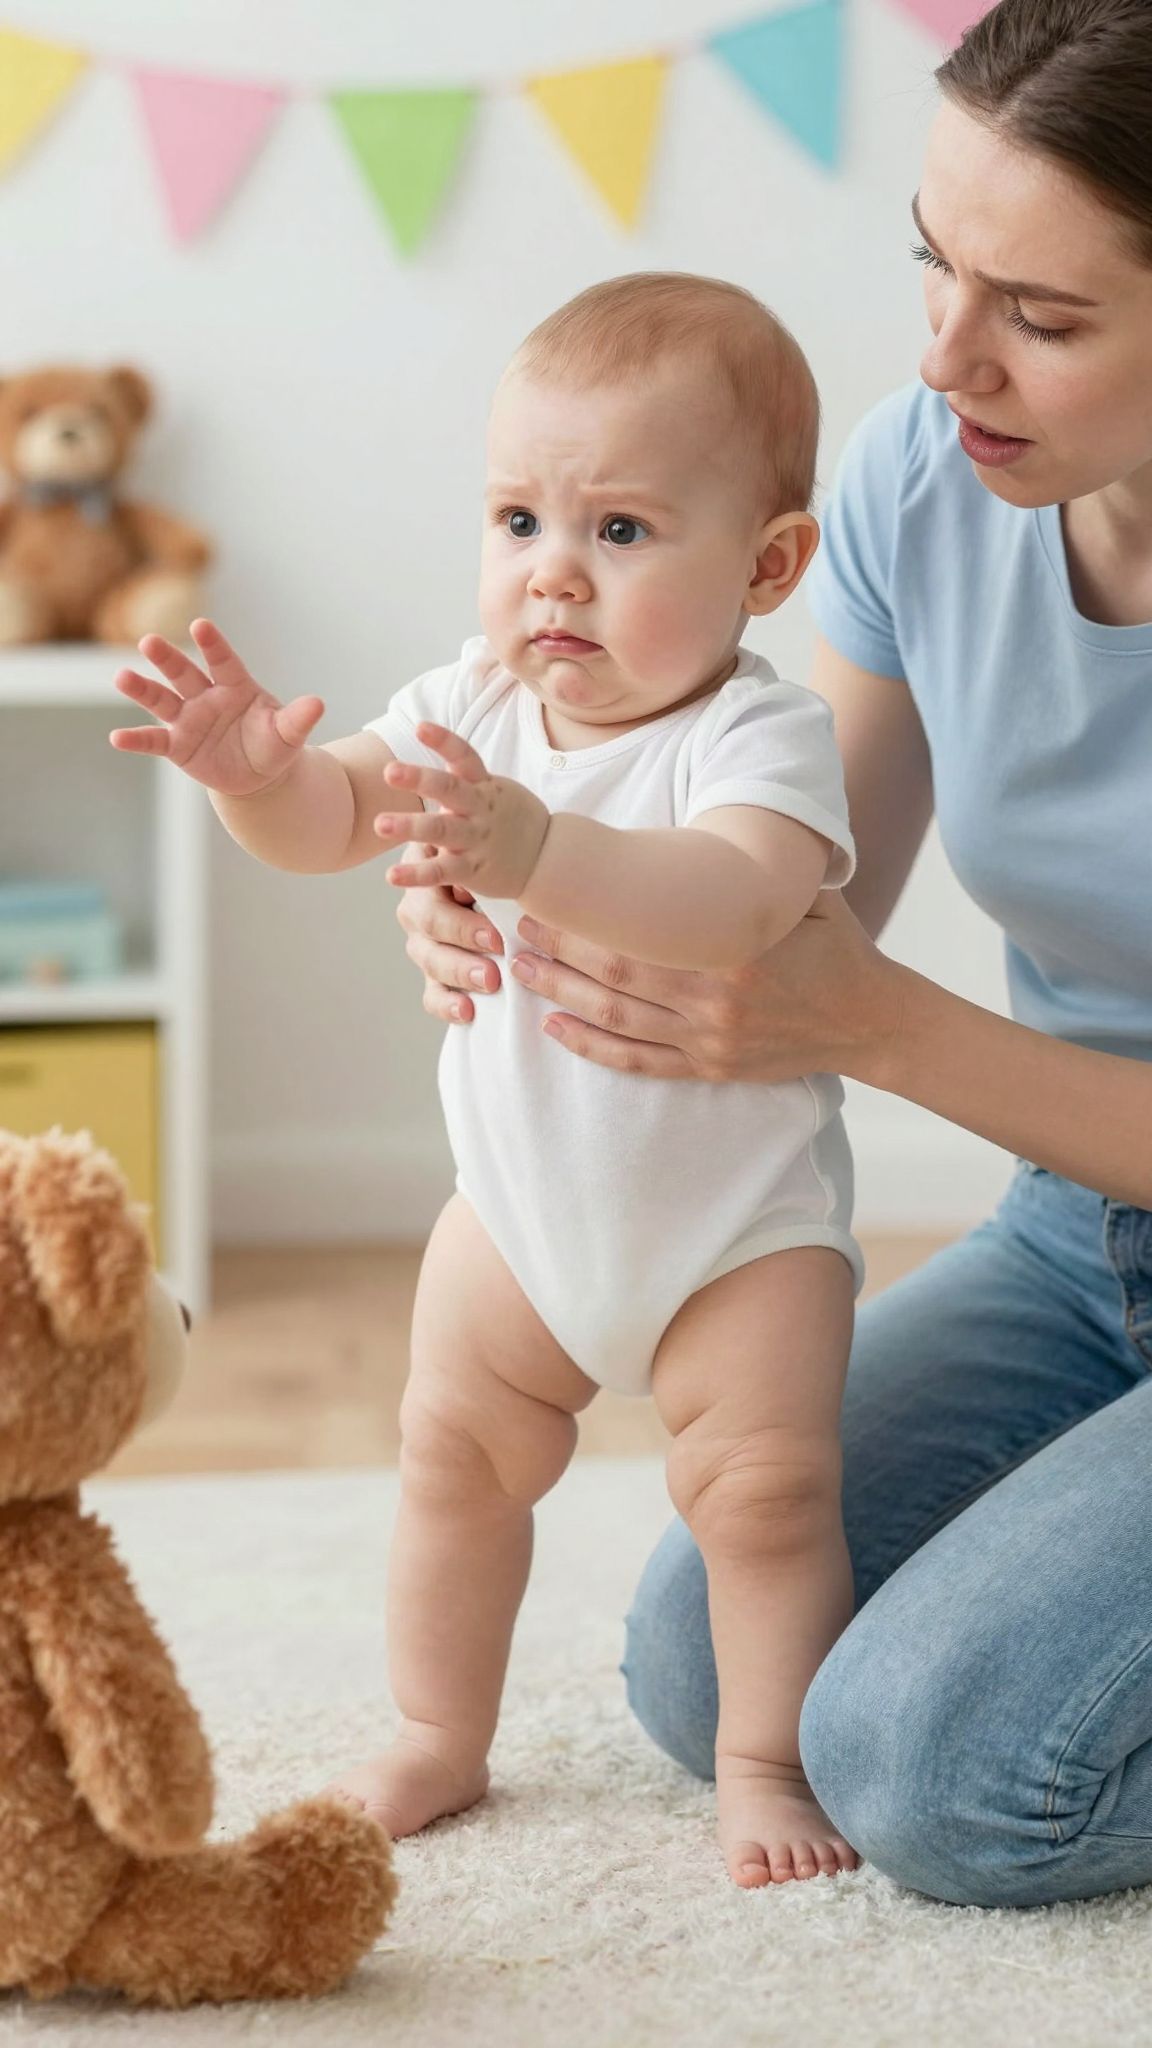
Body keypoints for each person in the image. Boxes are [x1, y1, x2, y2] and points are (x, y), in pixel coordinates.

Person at [396, 0, 1152, 1907]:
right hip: (1080, 1239)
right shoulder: (924, 483)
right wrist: (513, 889)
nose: (949, 360)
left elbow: (845, 995)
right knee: (708, 1667)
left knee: (960, 1772)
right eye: (935, 267)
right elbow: (798, 900)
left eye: (1043, 319)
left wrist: (870, 1027)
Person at [108, 272, 873, 1889]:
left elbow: (740, 902)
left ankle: (762, 1760)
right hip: (516, 1217)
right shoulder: (473, 706)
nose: (551, 579)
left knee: (769, 1496)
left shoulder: (758, 736)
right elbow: (337, 820)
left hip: (733, 1240)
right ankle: (438, 1734)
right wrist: (260, 778)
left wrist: (538, 850)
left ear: (767, 563)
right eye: (520, 518)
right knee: (449, 1459)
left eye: (619, 532)